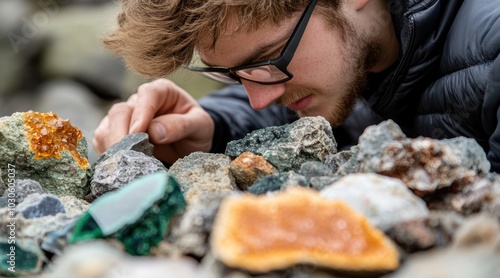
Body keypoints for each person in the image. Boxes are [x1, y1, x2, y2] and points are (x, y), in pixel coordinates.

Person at [93, 0, 500, 171]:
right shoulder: (355, 61)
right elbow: (344, 112)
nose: (257, 98)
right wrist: (212, 126)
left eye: (269, 60)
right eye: (233, 73)